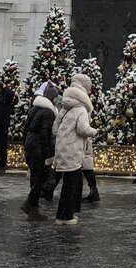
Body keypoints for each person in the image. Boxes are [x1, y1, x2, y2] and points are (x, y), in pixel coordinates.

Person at [53, 73, 97, 226]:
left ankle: (70, 212)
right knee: (72, 184)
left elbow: (55, 128)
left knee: (70, 182)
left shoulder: (65, 107)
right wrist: (95, 131)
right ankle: (65, 216)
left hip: (62, 149)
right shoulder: (81, 109)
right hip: (74, 150)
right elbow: (83, 129)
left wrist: (64, 139)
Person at [21, 80, 59, 220]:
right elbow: (45, 134)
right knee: (41, 177)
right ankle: (30, 205)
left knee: (36, 176)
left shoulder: (34, 109)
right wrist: (49, 154)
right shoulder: (48, 113)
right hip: (38, 146)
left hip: (30, 144)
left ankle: (32, 208)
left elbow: (25, 129)